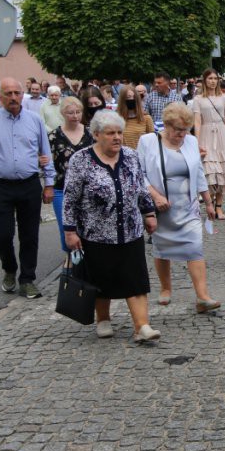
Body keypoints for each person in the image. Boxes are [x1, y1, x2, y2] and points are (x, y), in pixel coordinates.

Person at [63, 110, 161, 342]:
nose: (117, 137)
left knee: (136, 279)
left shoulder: (130, 155)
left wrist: (148, 213)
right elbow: (70, 197)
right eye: (110, 133)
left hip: (130, 230)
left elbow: (140, 186)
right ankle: (103, 319)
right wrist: (69, 230)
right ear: (96, 135)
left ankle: (142, 327)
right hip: (96, 233)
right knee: (101, 279)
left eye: (119, 132)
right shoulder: (81, 160)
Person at [0, 78, 55, 298]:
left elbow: (46, 153)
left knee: (30, 235)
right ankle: (9, 268)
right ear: (0, 97)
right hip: (1, 186)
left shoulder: (35, 120)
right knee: (2, 234)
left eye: (17, 93)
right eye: (8, 93)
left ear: (22, 95)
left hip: (29, 184)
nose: (13, 97)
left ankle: (27, 279)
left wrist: (49, 183)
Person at [137, 103, 220, 313]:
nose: (182, 134)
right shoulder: (148, 141)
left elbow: (199, 172)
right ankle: (165, 288)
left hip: (188, 205)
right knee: (162, 247)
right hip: (161, 207)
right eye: (178, 130)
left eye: (185, 130)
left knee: (195, 247)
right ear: (166, 125)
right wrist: (155, 196)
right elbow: (139, 174)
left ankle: (202, 297)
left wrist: (208, 202)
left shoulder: (191, 141)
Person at [48, 97, 94, 252]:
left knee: (87, 225)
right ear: (63, 113)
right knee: (65, 226)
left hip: (88, 188)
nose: (75, 116)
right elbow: (47, 163)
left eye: (78, 112)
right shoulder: (54, 136)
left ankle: (86, 257)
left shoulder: (90, 133)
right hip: (62, 188)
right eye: (71, 113)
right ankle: (69, 257)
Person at [193, 69, 225, 221]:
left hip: (222, 134)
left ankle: (219, 206)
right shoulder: (198, 99)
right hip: (205, 133)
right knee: (209, 172)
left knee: (223, 171)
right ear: (204, 80)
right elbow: (197, 121)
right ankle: (209, 203)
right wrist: (196, 142)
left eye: (215, 78)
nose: (212, 81)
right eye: (210, 78)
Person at [116, 84, 155, 149]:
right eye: (128, 97)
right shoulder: (117, 119)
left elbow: (152, 142)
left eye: (134, 97)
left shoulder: (146, 118)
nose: (132, 99)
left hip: (141, 156)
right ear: (123, 100)